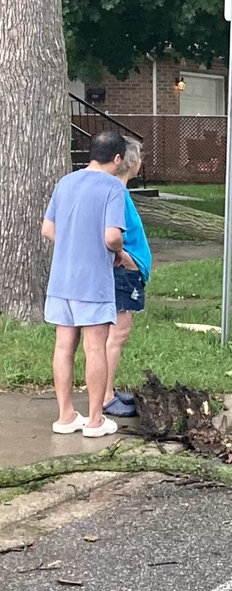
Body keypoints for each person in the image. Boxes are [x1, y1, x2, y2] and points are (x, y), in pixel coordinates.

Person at [42, 130, 128, 437]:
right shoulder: (114, 187)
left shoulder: (65, 182)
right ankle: (95, 420)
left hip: (61, 279)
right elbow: (112, 236)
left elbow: (48, 229)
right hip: (92, 281)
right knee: (94, 348)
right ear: (117, 159)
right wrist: (119, 253)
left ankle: (65, 415)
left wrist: (72, 242)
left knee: (63, 346)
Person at [102, 138, 151, 417]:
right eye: (140, 156)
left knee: (115, 334)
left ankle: (106, 388)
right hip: (123, 273)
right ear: (130, 161)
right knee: (116, 335)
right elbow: (110, 235)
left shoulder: (120, 192)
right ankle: (106, 396)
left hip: (128, 272)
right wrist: (125, 257)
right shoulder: (116, 194)